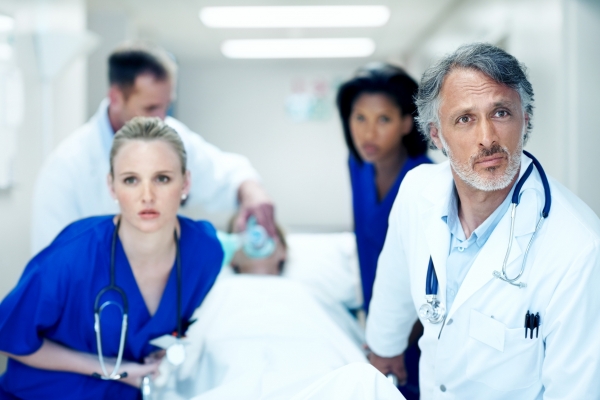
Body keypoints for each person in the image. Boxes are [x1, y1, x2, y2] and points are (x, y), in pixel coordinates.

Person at [366, 43, 600, 399]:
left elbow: (577, 389)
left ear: (527, 120)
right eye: (465, 119)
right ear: (436, 136)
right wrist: (384, 347)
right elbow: (395, 277)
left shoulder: (579, 249)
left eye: (502, 113)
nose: (487, 138)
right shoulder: (417, 191)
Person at [0, 117, 224, 399]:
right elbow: (7, 337)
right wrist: (115, 370)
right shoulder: (73, 255)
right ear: (112, 187)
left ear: (185, 183)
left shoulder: (204, 252)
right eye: (131, 180)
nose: (147, 196)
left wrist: (162, 353)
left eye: (162, 178)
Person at [31, 41, 275, 255]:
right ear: (116, 98)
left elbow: (226, 175)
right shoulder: (66, 169)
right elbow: (52, 268)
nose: (160, 119)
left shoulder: (171, 136)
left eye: (166, 107)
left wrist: (253, 193)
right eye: (150, 108)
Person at [336, 63, 430, 398]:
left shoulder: (428, 183)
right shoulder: (358, 166)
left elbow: (431, 271)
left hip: (420, 331)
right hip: (376, 321)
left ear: (407, 122)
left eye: (383, 119)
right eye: (359, 118)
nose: (368, 133)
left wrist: (394, 337)